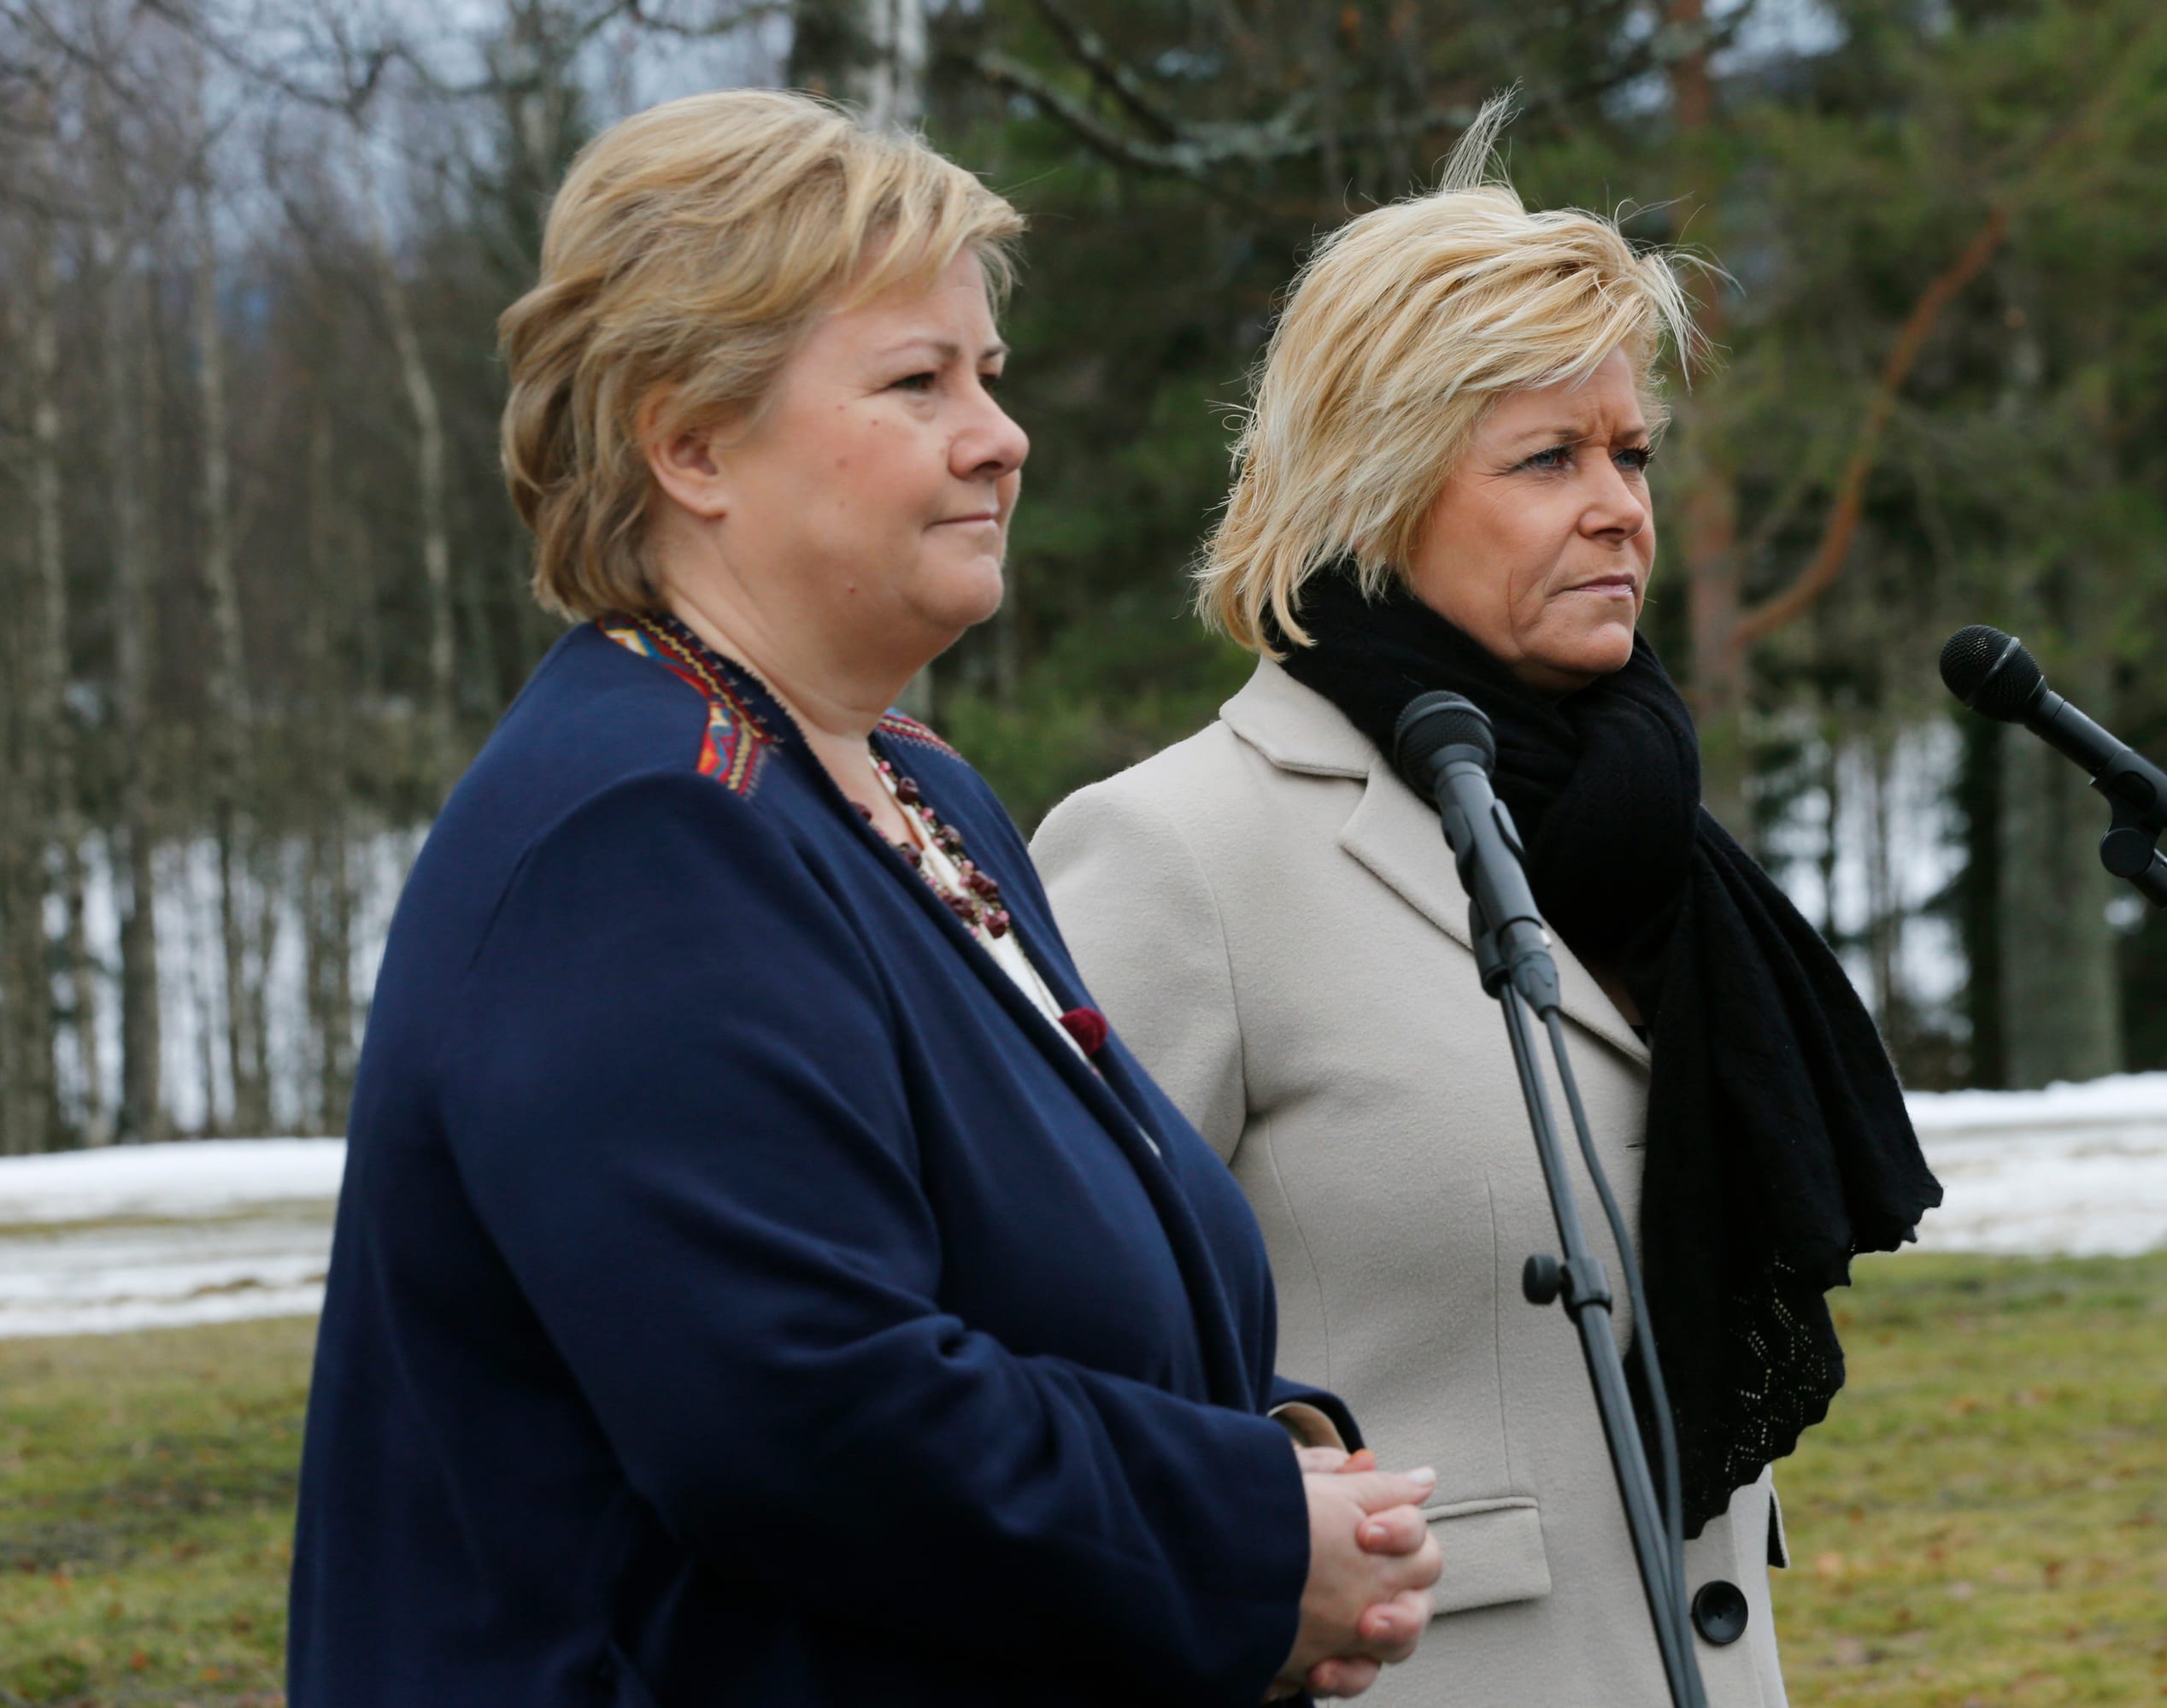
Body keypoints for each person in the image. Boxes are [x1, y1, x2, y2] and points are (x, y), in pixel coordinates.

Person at [287, 89, 1441, 1707]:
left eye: (990, 374)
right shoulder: (644, 832)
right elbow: (800, 1415)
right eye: (918, 382)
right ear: (690, 445)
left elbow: (1021, 1301)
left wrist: (1280, 1472)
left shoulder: (910, 786)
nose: (1000, 435)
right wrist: (1242, 1537)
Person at [1032, 107, 1941, 1706]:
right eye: (1547, 459)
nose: (1621, 507)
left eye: (1631, 454)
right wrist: (1266, 1502)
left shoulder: (1645, 831)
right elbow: (1049, 1348)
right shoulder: (1180, 852)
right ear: (1375, 492)